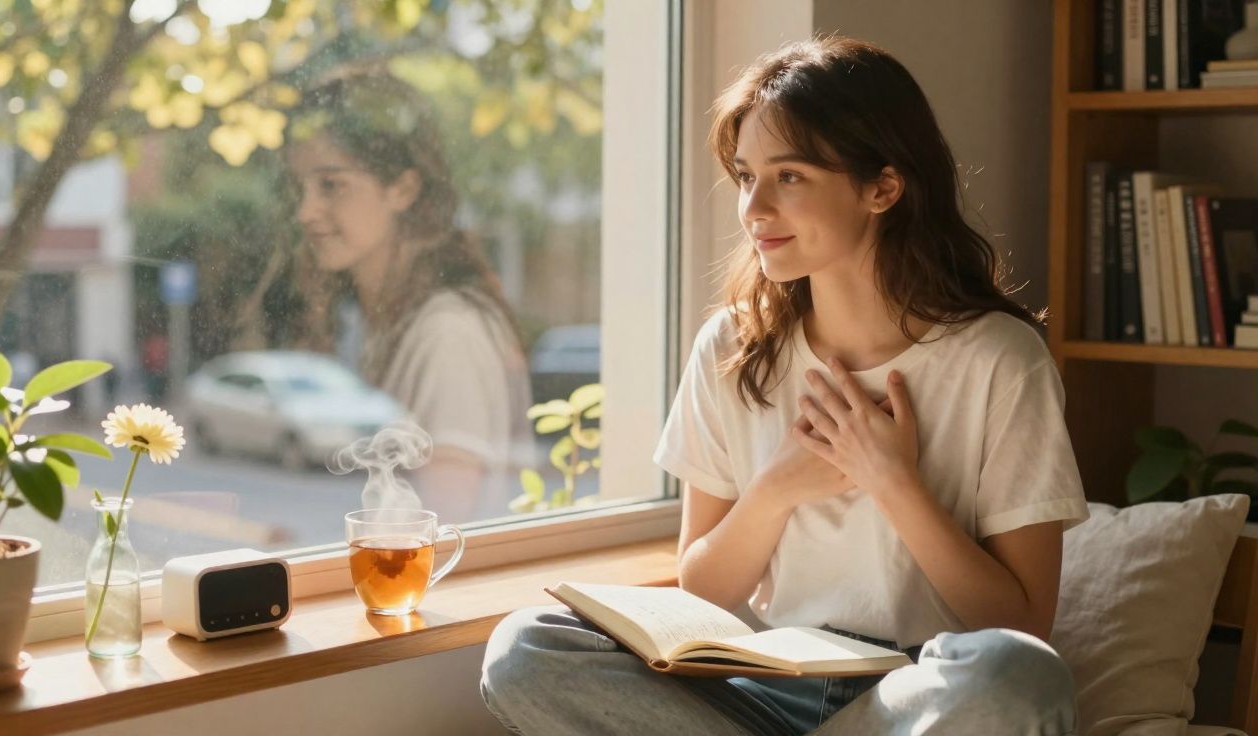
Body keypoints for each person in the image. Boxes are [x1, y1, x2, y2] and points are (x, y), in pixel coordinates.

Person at [480, 36, 1088, 735]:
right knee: (526, 648)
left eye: (789, 177)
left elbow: (1022, 624)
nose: (754, 209)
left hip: (918, 699)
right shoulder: (733, 350)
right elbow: (704, 588)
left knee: (1019, 678)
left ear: (882, 188)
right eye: (745, 177)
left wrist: (890, 479)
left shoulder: (1000, 360)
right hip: (764, 687)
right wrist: (780, 487)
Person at [286, 69, 534, 524]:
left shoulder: (447, 333)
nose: (305, 211)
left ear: (403, 188)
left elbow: (437, 534)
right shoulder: (383, 320)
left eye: (331, 185)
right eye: (299, 187)